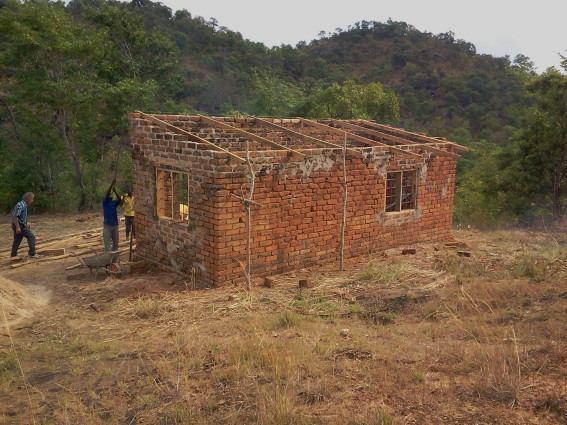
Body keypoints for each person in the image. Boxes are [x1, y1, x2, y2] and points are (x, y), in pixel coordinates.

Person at [11, 192, 39, 258]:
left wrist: (26, 223)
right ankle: (32, 254)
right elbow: (15, 216)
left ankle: (13, 255)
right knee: (31, 237)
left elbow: (20, 217)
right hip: (19, 225)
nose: (32, 201)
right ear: (28, 198)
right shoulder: (21, 205)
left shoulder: (22, 204)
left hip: (19, 225)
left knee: (17, 240)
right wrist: (18, 227)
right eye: (32, 199)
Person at [102, 179, 122, 252]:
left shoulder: (113, 202)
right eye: (110, 194)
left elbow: (120, 200)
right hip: (107, 226)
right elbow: (107, 194)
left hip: (115, 225)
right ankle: (108, 258)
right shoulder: (105, 202)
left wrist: (115, 191)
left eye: (111, 193)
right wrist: (111, 185)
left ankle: (113, 259)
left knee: (116, 244)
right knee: (107, 245)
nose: (110, 194)